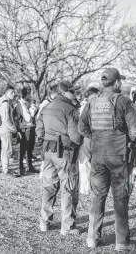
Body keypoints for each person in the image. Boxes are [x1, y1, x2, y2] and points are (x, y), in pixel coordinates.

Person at [78, 68, 136, 251]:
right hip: (118, 156)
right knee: (120, 198)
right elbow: (135, 129)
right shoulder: (123, 101)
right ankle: (121, 243)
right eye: (120, 81)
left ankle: (92, 238)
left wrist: (97, 137)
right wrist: (125, 139)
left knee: (97, 196)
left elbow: (82, 128)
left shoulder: (92, 102)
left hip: (98, 155)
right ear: (116, 83)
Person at [36, 80, 82, 236]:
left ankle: (44, 222)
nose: (74, 94)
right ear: (64, 93)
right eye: (72, 91)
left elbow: (39, 131)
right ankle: (67, 226)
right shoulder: (70, 109)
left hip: (48, 150)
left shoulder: (46, 107)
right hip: (65, 152)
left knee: (49, 186)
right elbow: (75, 137)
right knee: (68, 188)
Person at [78, 87, 99, 195]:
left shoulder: (95, 107)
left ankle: (90, 186)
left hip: (94, 137)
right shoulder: (84, 108)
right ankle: (84, 188)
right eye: (95, 96)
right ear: (90, 96)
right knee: (85, 163)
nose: (97, 98)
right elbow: (81, 126)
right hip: (87, 138)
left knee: (92, 163)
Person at [15, 88, 39, 175]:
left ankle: (30, 166)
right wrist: (33, 107)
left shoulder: (26, 103)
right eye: (30, 94)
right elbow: (28, 117)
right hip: (25, 128)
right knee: (23, 149)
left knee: (30, 149)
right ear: (27, 94)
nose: (31, 96)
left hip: (31, 127)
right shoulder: (20, 104)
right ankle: (20, 167)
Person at [0, 85, 19, 177]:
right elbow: (6, 119)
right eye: (11, 93)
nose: (13, 94)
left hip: (3, 129)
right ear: (6, 93)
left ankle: (5, 169)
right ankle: (6, 170)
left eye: (14, 92)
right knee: (7, 150)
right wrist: (13, 128)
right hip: (6, 130)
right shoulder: (5, 103)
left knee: (4, 150)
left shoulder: (3, 101)